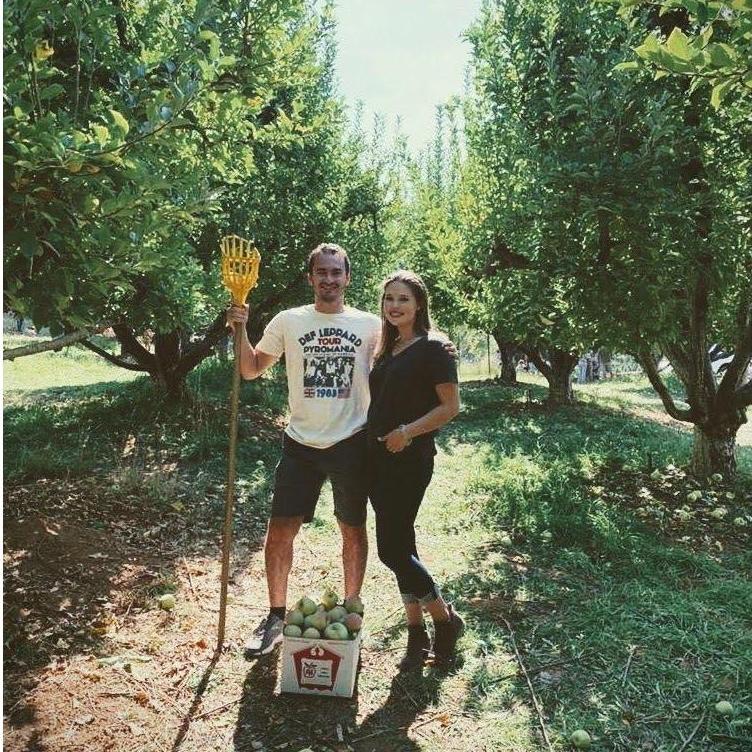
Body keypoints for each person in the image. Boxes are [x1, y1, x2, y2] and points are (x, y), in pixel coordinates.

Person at [226, 243, 381, 657]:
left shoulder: (370, 326)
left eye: (336, 272)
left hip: (352, 442)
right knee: (280, 531)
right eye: (321, 272)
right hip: (300, 444)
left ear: (348, 278)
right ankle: (276, 615)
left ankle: (351, 611)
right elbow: (251, 368)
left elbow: (397, 366)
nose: (329, 279)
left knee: (352, 528)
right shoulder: (289, 321)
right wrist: (239, 328)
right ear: (311, 277)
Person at [367, 270, 464, 669]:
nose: (395, 305)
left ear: (419, 303)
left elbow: (450, 407)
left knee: (391, 550)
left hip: (409, 459)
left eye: (403, 299)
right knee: (402, 547)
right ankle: (415, 631)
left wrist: (406, 433)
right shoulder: (387, 350)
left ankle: (444, 620)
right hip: (376, 460)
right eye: (389, 298)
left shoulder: (434, 348)